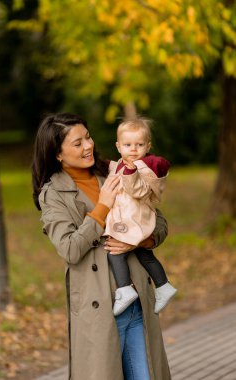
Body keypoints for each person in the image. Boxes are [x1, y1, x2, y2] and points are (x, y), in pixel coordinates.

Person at [32, 112, 171, 380]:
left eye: (88, 137)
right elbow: (70, 249)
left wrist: (140, 240)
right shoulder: (53, 194)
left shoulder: (112, 170)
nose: (88, 146)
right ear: (57, 154)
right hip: (99, 310)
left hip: (137, 299)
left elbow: (160, 221)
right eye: (77, 143)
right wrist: (102, 207)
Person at [104, 117, 177, 316]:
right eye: (128, 145)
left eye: (139, 145)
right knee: (144, 254)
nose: (133, 149)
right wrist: (105, 165)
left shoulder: (144, 168)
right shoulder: (123, 163)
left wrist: (131, 171)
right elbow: (114, 168)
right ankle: (163, 285)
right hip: (133, 217)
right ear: (119, 146)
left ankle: (124, 288)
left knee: (114, 252)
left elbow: (138, 190)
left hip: (133, 218)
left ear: (148, 146)